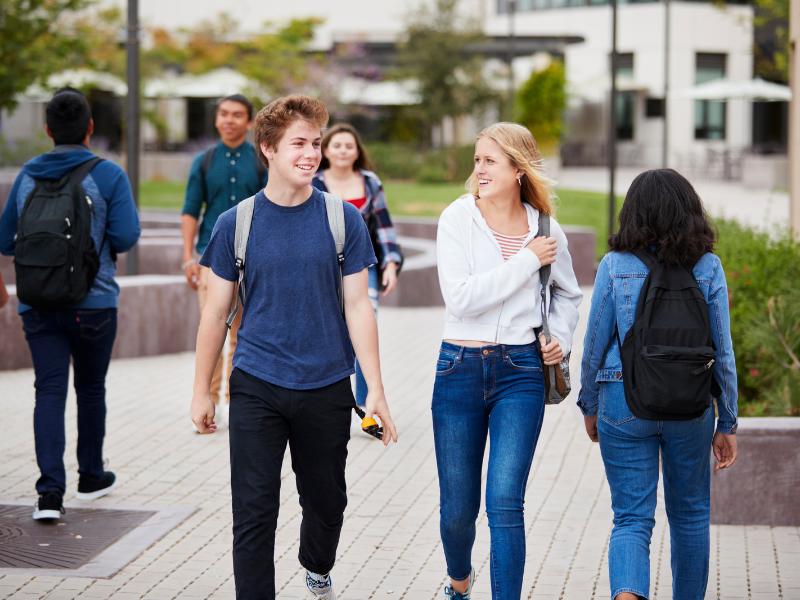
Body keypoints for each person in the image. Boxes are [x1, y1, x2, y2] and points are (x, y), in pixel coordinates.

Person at [189, 94, 398, 600]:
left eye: (316, 143)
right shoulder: (234, 224)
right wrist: (201, 391)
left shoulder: (341, 218)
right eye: (299, 143)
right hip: (256, 384)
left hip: (327, 384)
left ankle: (316, 565)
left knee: (327, 505)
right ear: (269, 149)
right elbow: (215, 314)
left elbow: (358, 307)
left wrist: (377, 390)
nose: (311, 153)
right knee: (254, 510)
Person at [433, 122, 582, 600]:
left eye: (489, 161)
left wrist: (558, 337)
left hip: (520, 372)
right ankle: (459, 581)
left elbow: (567, 294)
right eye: (477, 160)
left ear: (518, 169)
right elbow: (461, 300)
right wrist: (525, 261)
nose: (479, 169)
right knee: (458, 509)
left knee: (504, 502)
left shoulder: (544, 227)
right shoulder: (457, 219)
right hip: (457, 368)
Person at [577, 169, 738, 600]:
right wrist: (729, 422)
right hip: (692, 406)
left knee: (631, 518)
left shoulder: (615, 266)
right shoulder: (709, 267)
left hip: (623, 402)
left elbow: (594, 344)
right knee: (689, 517)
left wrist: (590, 405)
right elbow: (722, 351)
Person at [0, 87, 141, 520]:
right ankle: (91, 476)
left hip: (38, 303)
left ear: (47, 130)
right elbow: (125, 237)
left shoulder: (26, 176)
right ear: (90, 128)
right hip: (94, 303)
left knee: (49, 390)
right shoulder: (108, 174)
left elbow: (6, 241)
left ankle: (48, 493)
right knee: (91, 389)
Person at [181, 94, 268, 426]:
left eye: (237, 115)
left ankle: (235, 400)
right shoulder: (203, 161)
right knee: (212, 328)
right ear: (217, 119)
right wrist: (188, 256)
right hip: (211, 258)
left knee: (244, 334)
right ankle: (209, 399)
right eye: (223, 114)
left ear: (249, 122)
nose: (229, 120)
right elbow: (191, 210)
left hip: (255, 258)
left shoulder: (261, 160)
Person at [312, 123, 402, 408]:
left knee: (365, 325)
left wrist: (391, 263)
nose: (342, 150)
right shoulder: (313, 182)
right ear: (325, 150)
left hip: (363, 265)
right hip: (323, 268)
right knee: (327, 328)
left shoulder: (370, 182)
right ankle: (325, 397)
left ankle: (366, 401)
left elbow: (384, 226)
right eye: (336, 145)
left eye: (349, 146)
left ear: (357, 152)